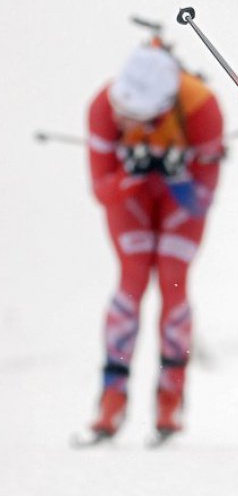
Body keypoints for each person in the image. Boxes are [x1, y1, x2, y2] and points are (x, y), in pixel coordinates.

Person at [85, 44, 224, 441]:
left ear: (162, 108)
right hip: (133, 200)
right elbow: (102, 191)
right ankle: (112, 396)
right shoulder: (103, 105)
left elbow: (200, 202)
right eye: (120, 109)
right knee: (132, 278)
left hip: (178, 202)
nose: (121, 119)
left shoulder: (201, 107)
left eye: (135, 117)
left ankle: (170, 397)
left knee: (173, 279)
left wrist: (177, 174)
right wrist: (132, 173)